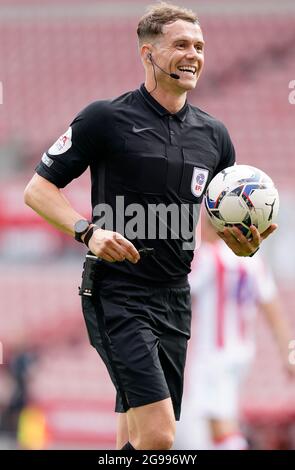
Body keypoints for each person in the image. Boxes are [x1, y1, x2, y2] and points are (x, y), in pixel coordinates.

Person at [23, 2, 276, 450]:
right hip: (117, 291)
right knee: (160, 436)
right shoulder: (105, 118)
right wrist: (89, 231)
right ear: (148, 53)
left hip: (176, 298)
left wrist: (242, 246)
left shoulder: (215, 137)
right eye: (180, 44)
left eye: (199, 46)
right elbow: (38, 190)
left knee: (134, 437)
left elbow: (218, 222)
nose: (193, 54)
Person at [176, 216, 294, 450]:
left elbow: (180, 295)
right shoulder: (254, 261)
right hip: (241, 353)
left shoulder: (212, 258)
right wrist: (288, 353)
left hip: (215, 353)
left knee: (219, 426)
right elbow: (273, 311)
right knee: (212, 426)